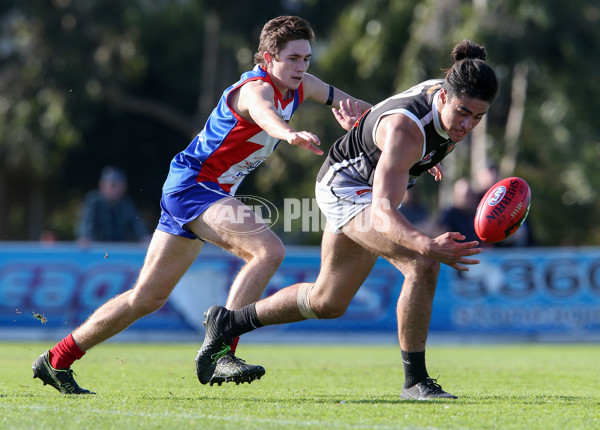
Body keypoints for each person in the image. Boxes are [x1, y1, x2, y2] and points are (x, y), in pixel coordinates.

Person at [32, 15, 371, 394]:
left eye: (306, 58)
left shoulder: (302, 86)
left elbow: (353, 105)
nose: (301, 67)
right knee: (268, 251)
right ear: (266, 58)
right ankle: (221, 350)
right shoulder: (254, 90)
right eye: (292, 58)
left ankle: (56, 360)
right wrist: (288, 134)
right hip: (194, 185)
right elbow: (265, 116)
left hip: (200, 190)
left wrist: (396, 127)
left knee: (147, 297)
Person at [196, 40, 499, 400]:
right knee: (422, 262)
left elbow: (394, 133)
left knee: (327, 302)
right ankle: (416, 382)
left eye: (478, 117)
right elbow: (384, 213)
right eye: (463, 112)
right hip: (347, 188)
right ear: (444, 96)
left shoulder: (451, 102)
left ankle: (227, 322)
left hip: (370, 187)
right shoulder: (407, 132)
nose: (467, 124)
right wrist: (427, 243)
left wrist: (417, 156)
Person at [76, 166, 150, 245]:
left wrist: (145, 237)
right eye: (110, 185)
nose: (112, 189)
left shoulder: (126, 204)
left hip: (119, 250)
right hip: (97, 249)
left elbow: (137, 225)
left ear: (123, 187)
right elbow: (86, 223)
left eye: (116, 186)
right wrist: (84, 237)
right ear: (101, 186)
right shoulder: (93, 202)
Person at [437, 177, 479, 244]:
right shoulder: (449, 216)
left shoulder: (477, 215)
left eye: (472, 195)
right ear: (456, 195)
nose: (470, 198)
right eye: (467, 195)